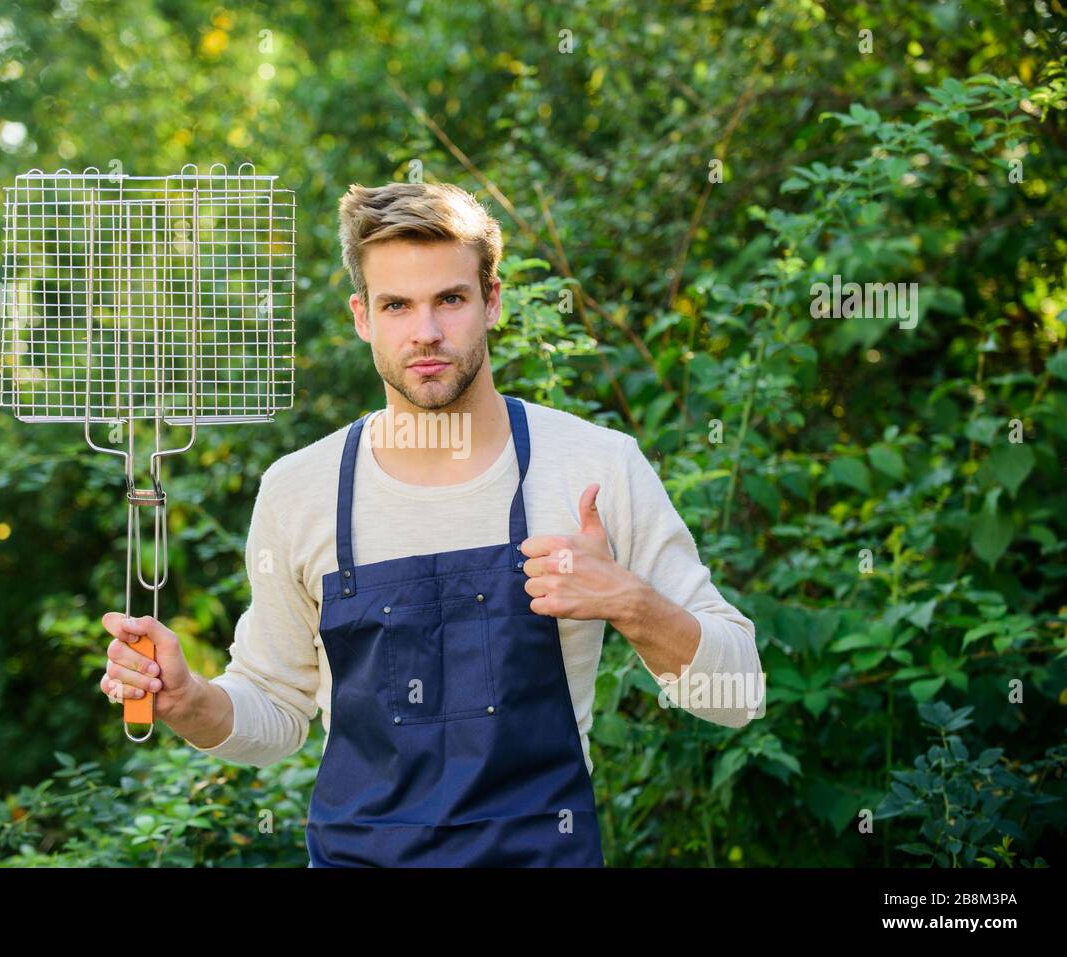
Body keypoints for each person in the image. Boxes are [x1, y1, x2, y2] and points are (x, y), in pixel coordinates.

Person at [99, 181, 763, 867]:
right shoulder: (299, 491)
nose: (426, 332)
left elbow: (739, 693)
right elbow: (276, 710)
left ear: (492, 301)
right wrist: (189, 700)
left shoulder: (593, 467)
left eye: (450, 298)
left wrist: (629, 600)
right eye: (397, 305)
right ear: (362, 316)